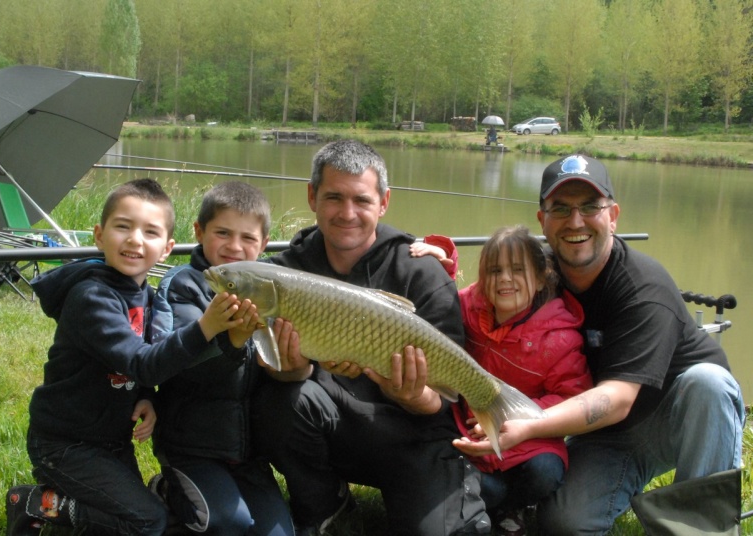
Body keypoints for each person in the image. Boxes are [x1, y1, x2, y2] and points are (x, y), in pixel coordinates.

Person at [454, 154, 745, 535]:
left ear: (613, 215)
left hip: (675, 417)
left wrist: (525, 421)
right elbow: (480, 294)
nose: (575, 222)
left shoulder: (644, 287)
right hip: (606, 435)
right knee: (564, 525)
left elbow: (618, 399)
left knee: (708, 382)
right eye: (561, 208)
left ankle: (702, 525)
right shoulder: (540, 273)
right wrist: (440, 262)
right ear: (543, 220)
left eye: (590, 206)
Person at [251, 139, 490, 536]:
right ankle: (324, 500)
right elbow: (267, 375)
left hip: (412, 438)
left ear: (384, 202)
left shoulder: (422, 272)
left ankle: (454, 494)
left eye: (361, 200)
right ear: (312, 197)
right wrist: (288, 371)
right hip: (330, 427)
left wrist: (414, 394)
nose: (347, 213)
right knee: (278, 402)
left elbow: (443, 404)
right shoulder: (282, 276)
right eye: (333, 197)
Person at [5, 179, 251, 536]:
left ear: (166, 248)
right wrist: (205, 327)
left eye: (150, 232)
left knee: (153, 520)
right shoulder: (91, 298)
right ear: (99, 235)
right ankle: (35, 504)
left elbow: (151, 359)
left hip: (111, 441)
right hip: (64, 444)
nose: (135, 239)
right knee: (147, 522)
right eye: (123, 226)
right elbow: (140, 361)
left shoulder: (146, 297)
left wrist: (146, 395)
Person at [413, 225, 592, 536]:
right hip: (473, 437)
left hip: (529, 440)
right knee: (489, 491)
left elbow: (571, 398)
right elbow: (444, 304)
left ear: (540, 279)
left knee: (545, 473)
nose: (505, 278)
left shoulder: (560, 337)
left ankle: (514, 506)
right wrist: (442, 265)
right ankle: (493, 505)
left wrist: (513, 419)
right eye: (495, 270)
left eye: (517, 269)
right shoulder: (472, 307)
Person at [147, 181, 294, 535]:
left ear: (264, 243)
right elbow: (179, 369)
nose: (235, 246)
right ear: (199, 232)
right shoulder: (184, 285)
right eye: (222, 233)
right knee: (227, 524)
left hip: (247, 453)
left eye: (248, 238)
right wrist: (233, 341)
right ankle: (164, 490)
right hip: (189, 444)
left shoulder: (272, 288)